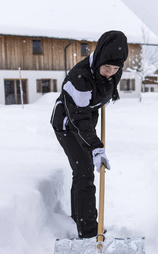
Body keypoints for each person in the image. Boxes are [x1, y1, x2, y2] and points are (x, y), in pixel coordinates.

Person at [51, 30, 128, 238]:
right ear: (99, 58)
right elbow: (79, 120)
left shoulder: (112, 70)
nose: (111, 72)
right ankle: (88, 231)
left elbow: (106, 87)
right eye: (106, 67)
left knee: (82, 172)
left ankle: (79, 217)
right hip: (68, 124)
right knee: (84, 170)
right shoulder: (79, 78)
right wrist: (96, 147)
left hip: (86, 120)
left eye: (115, 68)